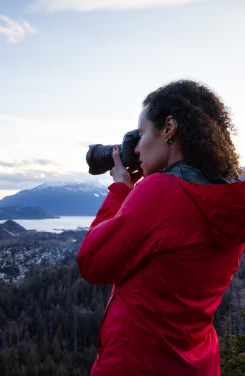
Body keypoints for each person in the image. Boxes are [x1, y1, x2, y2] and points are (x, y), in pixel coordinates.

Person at [77, 80, 245, 376]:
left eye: (141, 134)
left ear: (169, 128)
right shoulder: (230, 197)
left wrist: (120, 189)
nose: (137, 148)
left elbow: (92, 263)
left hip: (136, 365)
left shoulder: (161, 193)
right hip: (198, 363)